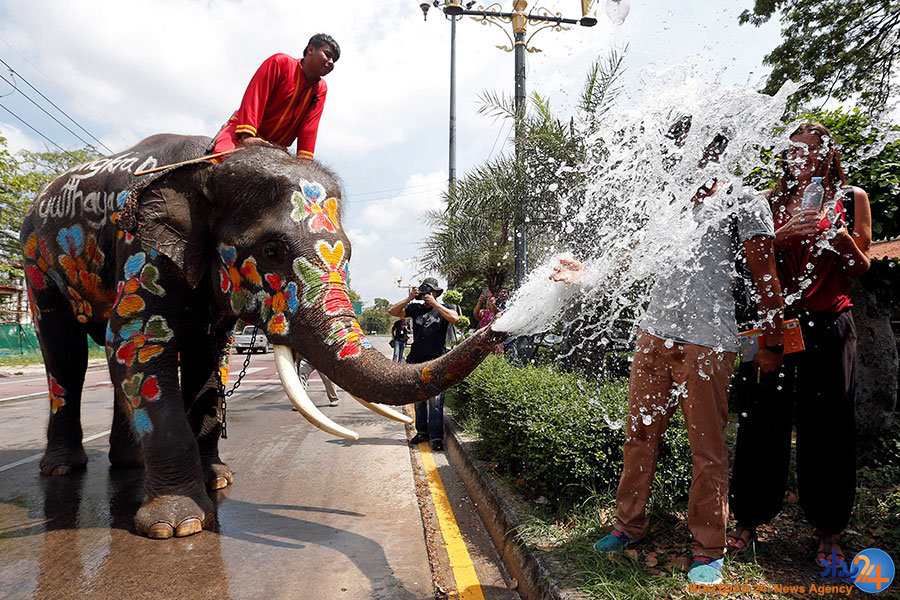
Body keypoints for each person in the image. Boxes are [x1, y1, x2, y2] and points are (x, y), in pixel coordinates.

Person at [551, 131, 785, 585]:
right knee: (639, 436)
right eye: (678, 146)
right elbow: (632, 258)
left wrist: (773, 343)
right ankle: (628, 524)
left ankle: (708, 547)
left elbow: (765, 273)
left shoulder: (745, 199)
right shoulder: (670, 207)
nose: (684, 153)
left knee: (708, 449)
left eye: (695, 145)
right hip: (653, 336)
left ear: (717, 148)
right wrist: (588, 272)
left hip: (708, 343)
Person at [728, 123, 871, 568]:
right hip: (779, 327)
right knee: (761, 421)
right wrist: (783, 236)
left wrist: (839, 235)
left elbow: (861, 266)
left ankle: (828, 530)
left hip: (831, 325)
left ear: (829, 154)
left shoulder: (852, 199)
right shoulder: (767, 203)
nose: (802, 157)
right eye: (793, 151)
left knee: (829, 427)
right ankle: (747, 520)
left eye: (812, 150)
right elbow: (750, 267)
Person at [210, 33, 340, 161]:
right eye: (327, 55)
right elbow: (256, 96)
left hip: (276, 148)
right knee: (223, 160)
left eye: (334, 60)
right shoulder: (280, 62)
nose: (331, 62)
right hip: (241, 133)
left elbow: (309, 126)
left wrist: (304, 162)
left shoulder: (321, 89)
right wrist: (247, 136)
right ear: (311, 49)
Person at [388, 277, 459, 451]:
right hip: (416, 361)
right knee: (419, 399)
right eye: (425, 292)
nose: (427, 295)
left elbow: (455, 319)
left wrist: (435, 304)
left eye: (430, 292)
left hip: (437, 362)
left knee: (435, 401)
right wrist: (409, 298)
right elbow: (393, 311)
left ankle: (436, 437)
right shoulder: (415, 309)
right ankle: (422, 433)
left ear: (436, 293)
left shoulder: (445, 308)